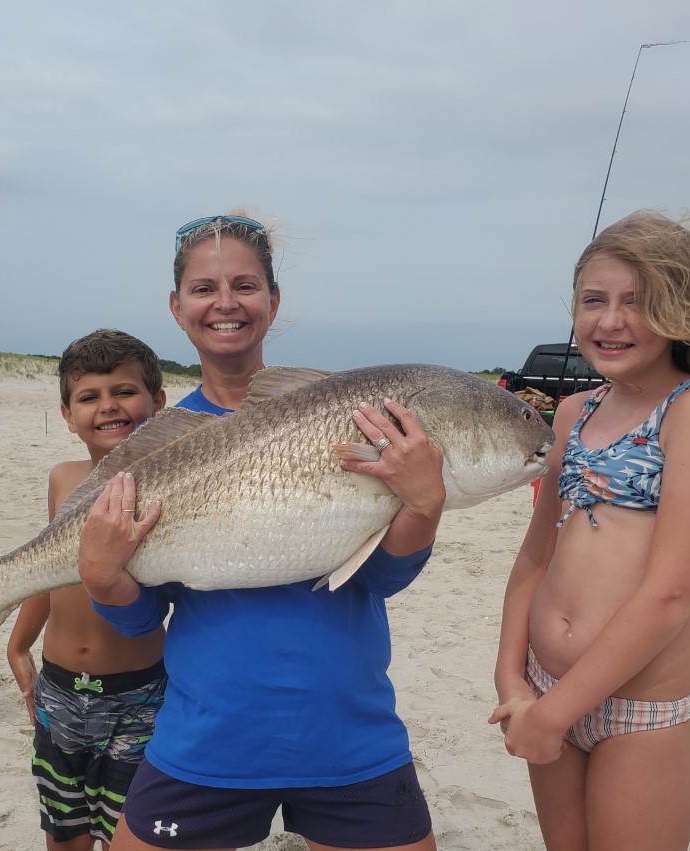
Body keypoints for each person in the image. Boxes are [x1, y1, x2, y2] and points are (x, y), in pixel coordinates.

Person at [77, 213, 447, 851]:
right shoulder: (155, 450)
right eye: (203, 289)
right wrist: (100, 576)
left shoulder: (356, 418)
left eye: (245, 285)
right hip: (206, 739)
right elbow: (141, 619)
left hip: (349, 735)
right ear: (176, 306)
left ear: (273, 301)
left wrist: (423, 503)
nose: (226, 303)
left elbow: (382, 577)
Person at [489, 210, 690, 850]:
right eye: (594, 301)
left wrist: (553, 716)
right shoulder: (570, 413)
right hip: (545, 685)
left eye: (637, 303)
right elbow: (536, 555)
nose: (609, 321)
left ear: (682, 312)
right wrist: (512, 676)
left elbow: (670, 594)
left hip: (640, 711)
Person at [6, 329, 170, 851]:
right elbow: (46, 568)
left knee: (127, 830)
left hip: (141, 692)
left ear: (157, 402)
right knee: (65, 830)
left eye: (124, 391)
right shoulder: (64, 478)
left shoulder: (172, 484)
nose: (108, 407)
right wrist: (18, 644)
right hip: (57, 687)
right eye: (89, 396)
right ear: (65, 413)